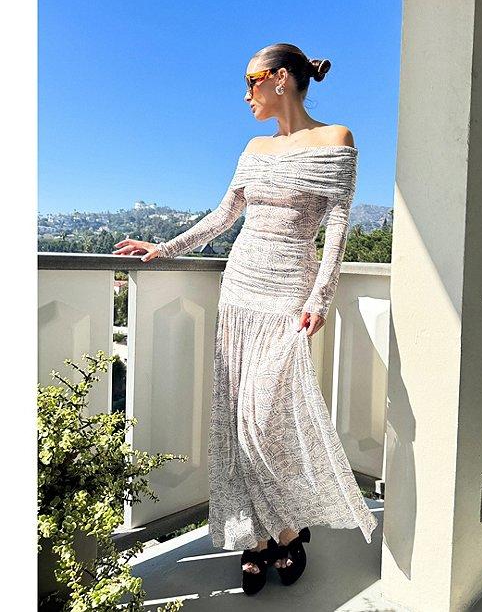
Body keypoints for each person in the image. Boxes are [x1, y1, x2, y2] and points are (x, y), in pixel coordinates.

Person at [113, 43, 378, 595]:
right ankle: (257, 539)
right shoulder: (255, 148)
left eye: (250, 81)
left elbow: (336, 229)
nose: (245, 95)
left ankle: (290, 528)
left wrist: (320, 297)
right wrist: (162, 248)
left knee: (263, 418)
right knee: (235, 421)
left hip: (287, 295)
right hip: (239, 290)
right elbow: (224, 216)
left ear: (280, 78)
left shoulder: (337, 139)